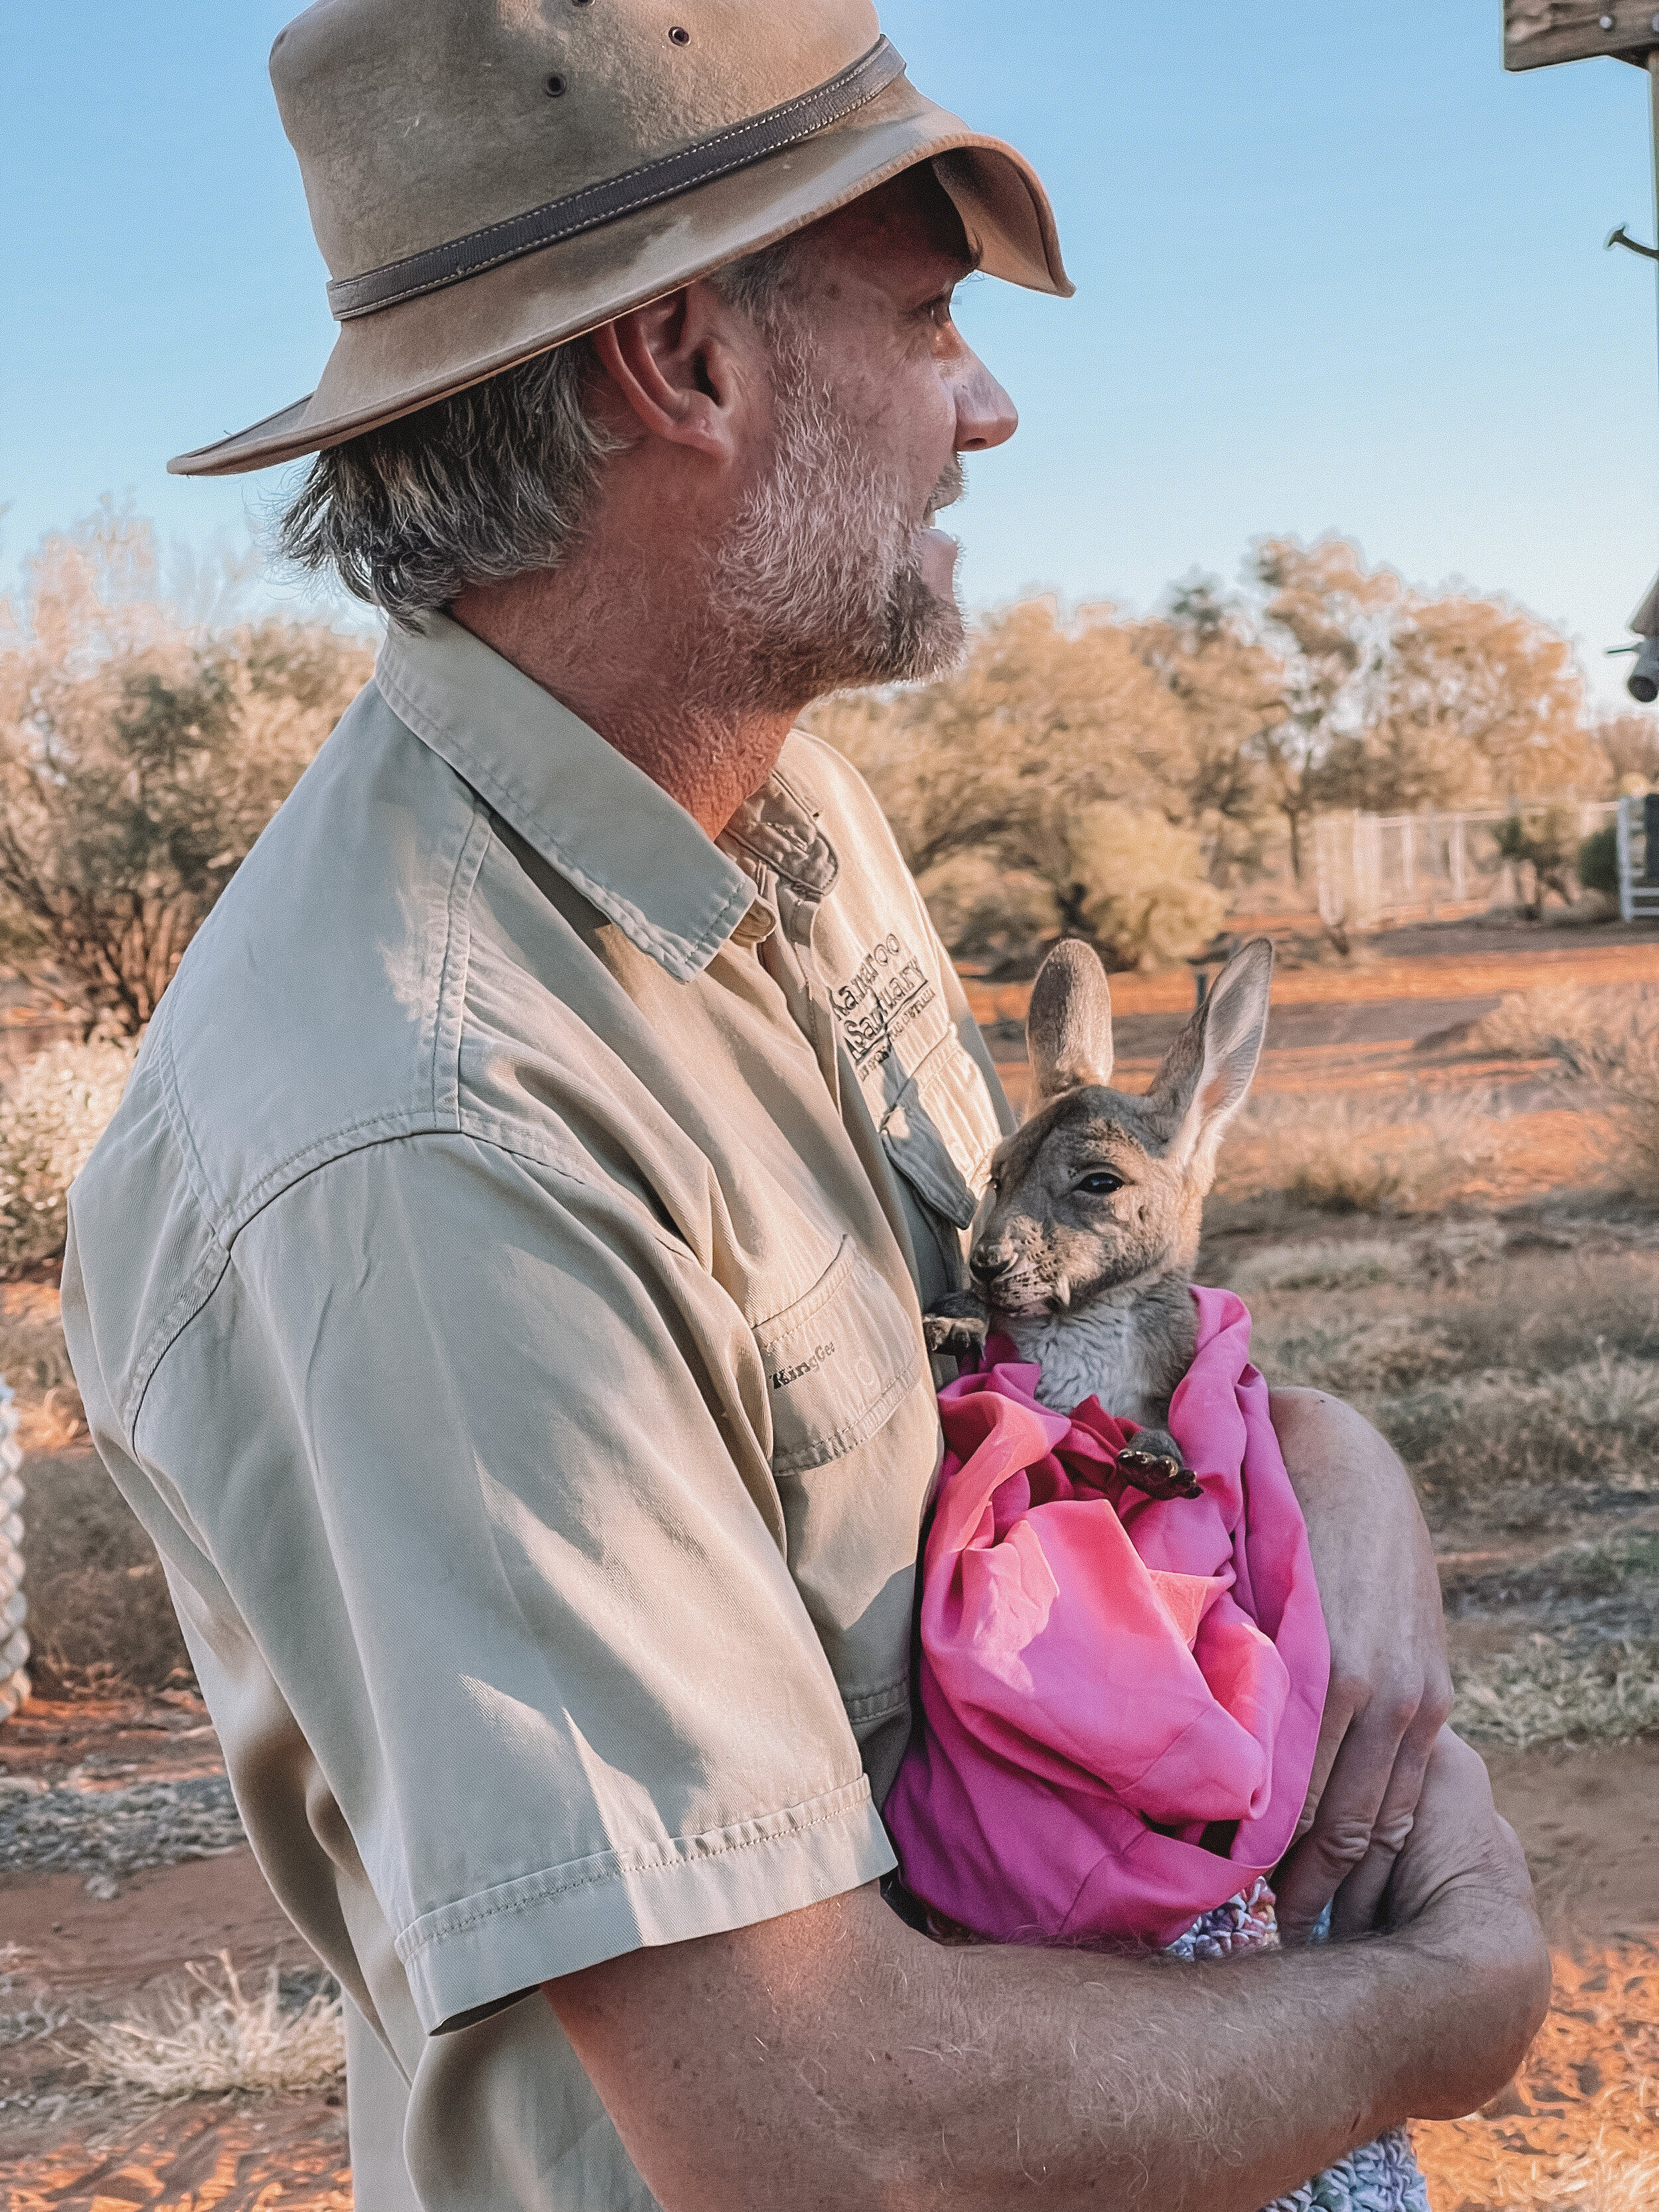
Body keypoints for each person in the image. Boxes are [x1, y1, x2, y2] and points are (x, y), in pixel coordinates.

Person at [62, 4, 1550, 2208]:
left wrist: (1333, 1469)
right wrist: (1441, 2008)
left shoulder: (782, 823)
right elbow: (817, 2126)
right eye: (931, 317)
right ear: (682, 363)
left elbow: (1025, 1384)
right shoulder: (430, 1130)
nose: (989, 403)